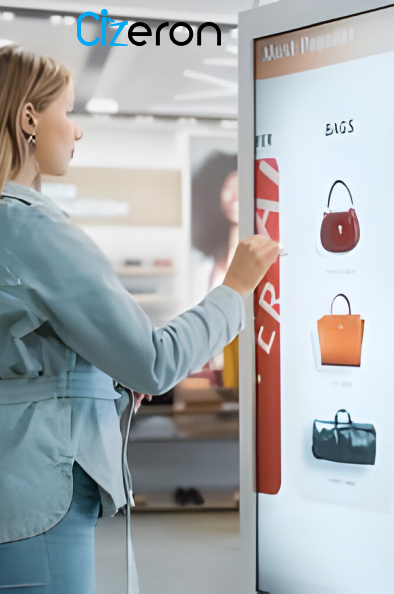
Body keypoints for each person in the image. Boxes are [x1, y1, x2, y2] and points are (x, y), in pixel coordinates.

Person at [0, 44, 279, 593]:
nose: (76, 132)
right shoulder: (31, 228)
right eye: (68, 111)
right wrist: (236, 289)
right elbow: (154, 363)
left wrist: (103, 375)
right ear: (29, 117)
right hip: (38, 500)